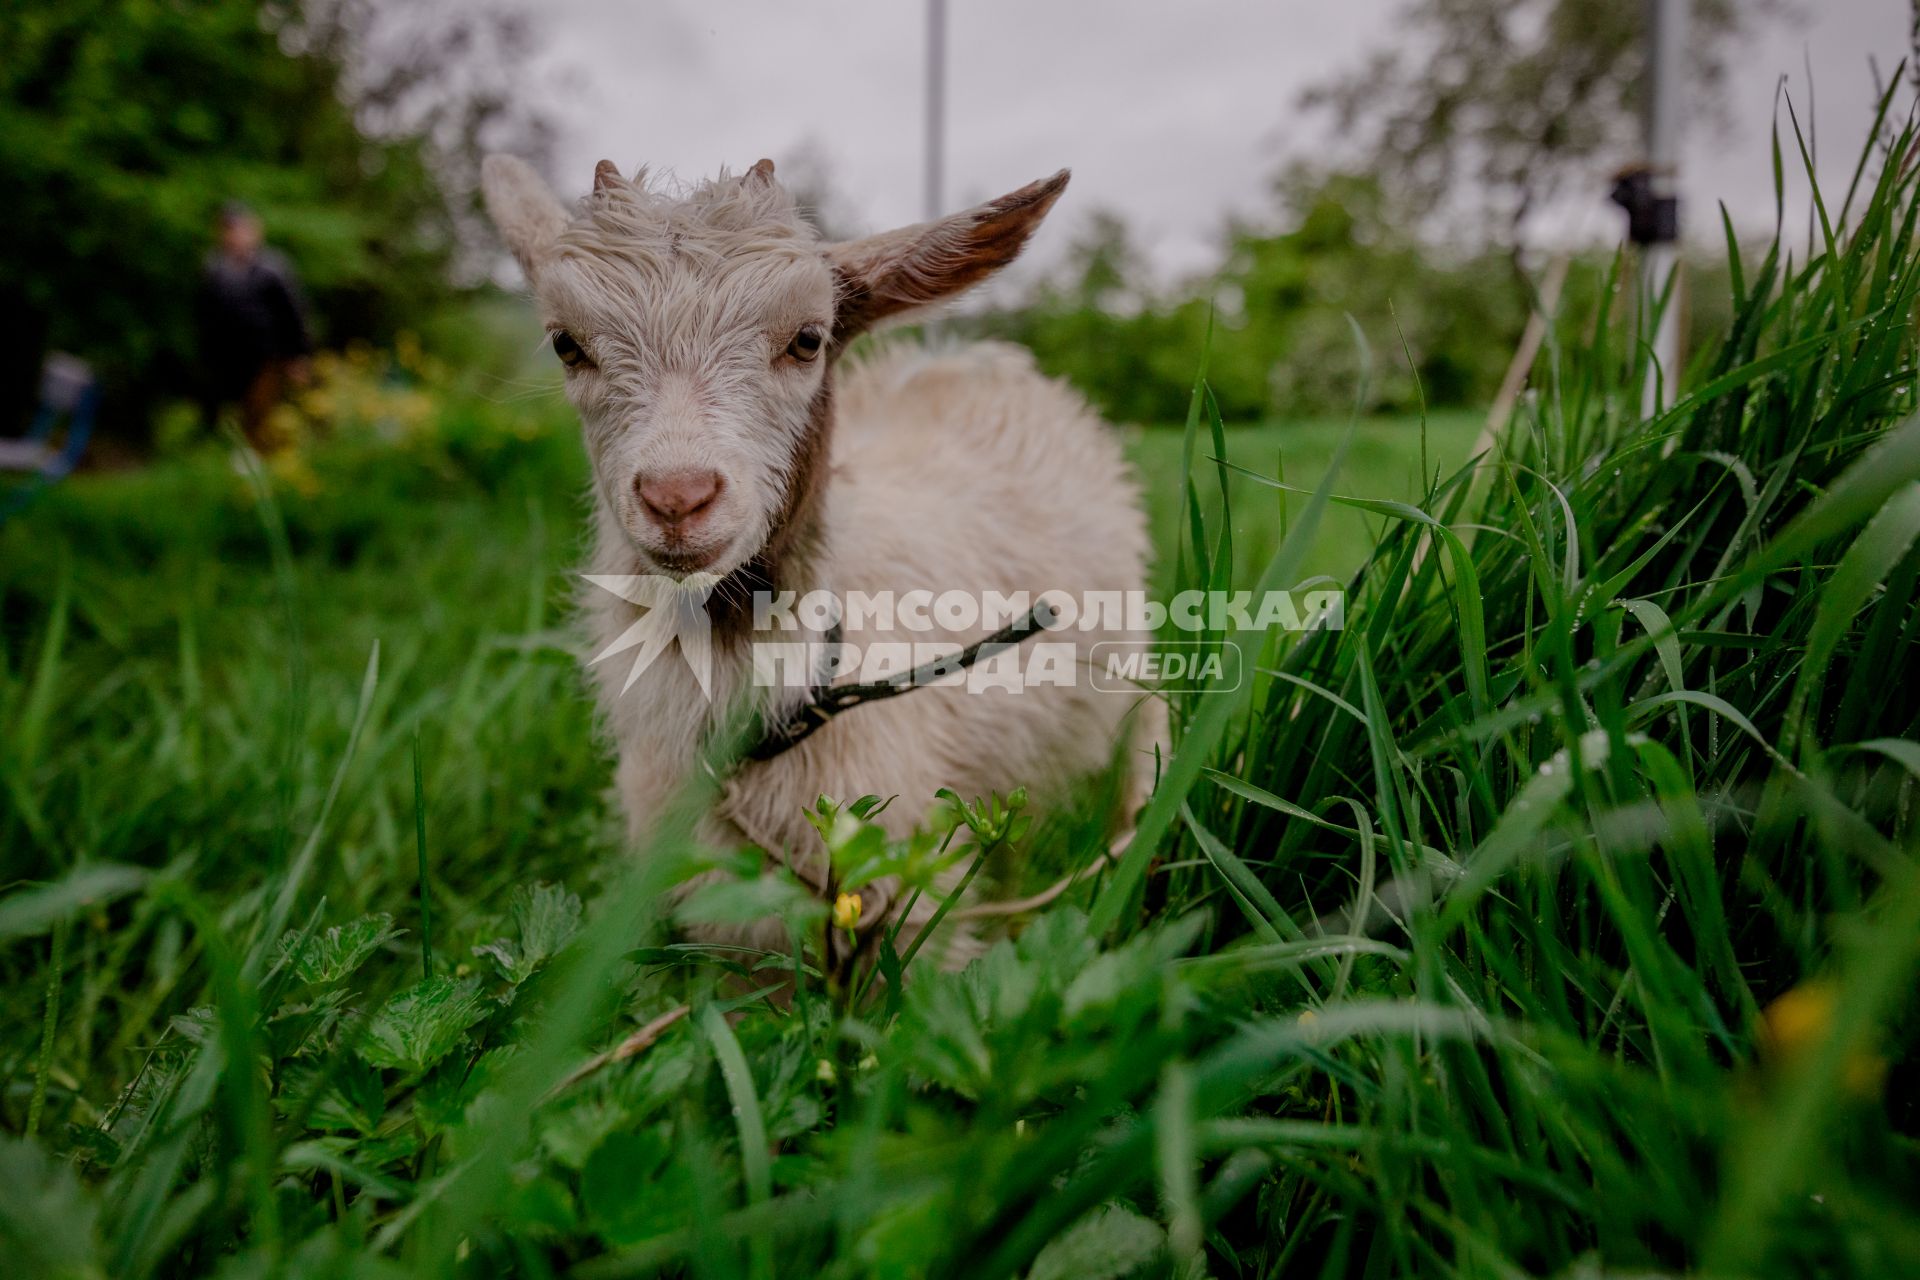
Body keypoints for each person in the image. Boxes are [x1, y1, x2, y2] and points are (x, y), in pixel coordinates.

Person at [198, 201, 313, 448]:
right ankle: (247, 464)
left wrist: (298, 356)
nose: (234, 236)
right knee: (236, 415)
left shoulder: (273, 267)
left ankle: (268, 465)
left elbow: (293, 314)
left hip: (267, 356)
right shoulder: (214, 269)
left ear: (255, 231)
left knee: (262, 413)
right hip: (228, 359)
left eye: (240, 229)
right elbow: (206, 317)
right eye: (228, 230)